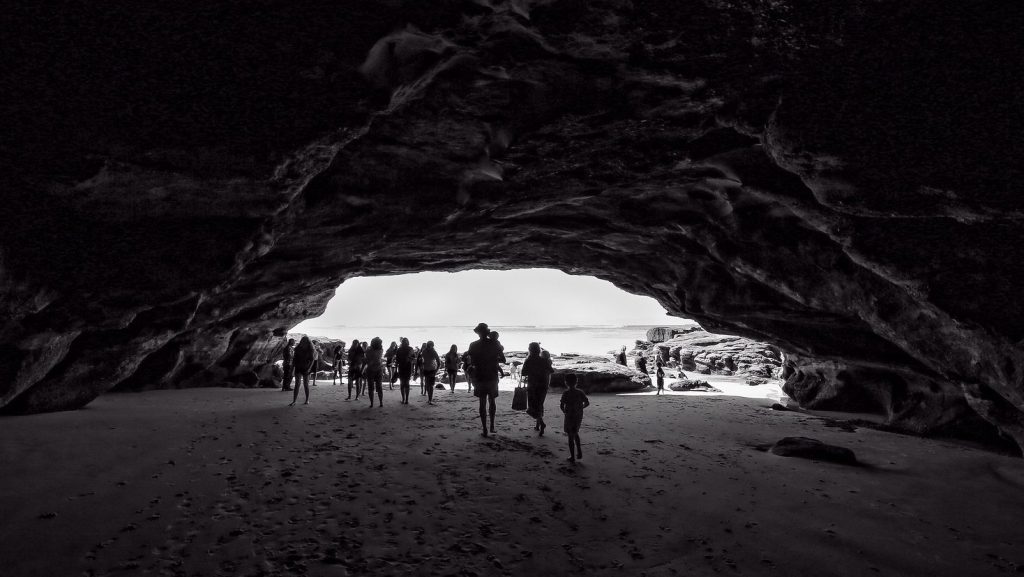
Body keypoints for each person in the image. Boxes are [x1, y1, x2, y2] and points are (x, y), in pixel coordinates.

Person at [468, 322, 503, 436]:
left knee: (482, 403)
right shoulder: (494, 343)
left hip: (479, 376)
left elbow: (472, 362)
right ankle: (492, 425)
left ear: (478, 333)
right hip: (492, 375)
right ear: (487, 332)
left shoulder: (473, 345)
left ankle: (484, 429)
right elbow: (503, 359)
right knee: (492, 401)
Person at [521, 342, 554, 435]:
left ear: (530, 350)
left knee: (533, 405)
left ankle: (542, 423)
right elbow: (551, 370)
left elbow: (523, 373)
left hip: (533, 385)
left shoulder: (529, 360)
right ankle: (537, 425)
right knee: (539, 404)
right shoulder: (543, 360)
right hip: (543, 385)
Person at [559, 373, 590, 462]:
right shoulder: (580, 392)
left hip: (569, 416)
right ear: (576, 381)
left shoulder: (566, 393)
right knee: (575, 432)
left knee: (570, 436)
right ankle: (579, 451)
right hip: (578, 416)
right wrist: (580, 408)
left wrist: (564, 411)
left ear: (566, 383)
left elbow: (561, 405)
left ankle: (572, 456)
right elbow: (587, 403)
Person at [289, 336, 316, 406]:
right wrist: (292, 368)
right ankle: (294, 401)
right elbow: (294, 359)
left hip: (306, 368)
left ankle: (307, 400)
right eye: (302, 341)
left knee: (305, 385)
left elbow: (312, 360)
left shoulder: (310, 349)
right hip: (298, 367)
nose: (303, 342)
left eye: (305, 341)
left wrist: (309, 368)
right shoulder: (297, 349)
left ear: (307, 342)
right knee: (297, 385)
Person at [364, 337, 385, 407]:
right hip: (379, 369)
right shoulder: (381, 350)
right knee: (379, 387)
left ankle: (372, 403)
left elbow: (367, 359)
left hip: (370, 369)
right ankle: (381, 402)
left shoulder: (369, 350)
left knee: (371, 387)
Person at [395, 337, 414, 404]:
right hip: (408, 367)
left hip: (401, 367)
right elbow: (413, 359)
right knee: (407, 384)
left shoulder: (399, 350)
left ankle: (403, 399)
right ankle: (406, 400)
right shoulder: (410, 349)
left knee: (402, 384)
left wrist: (396, 370)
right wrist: (409, 359)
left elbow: (397, 361)